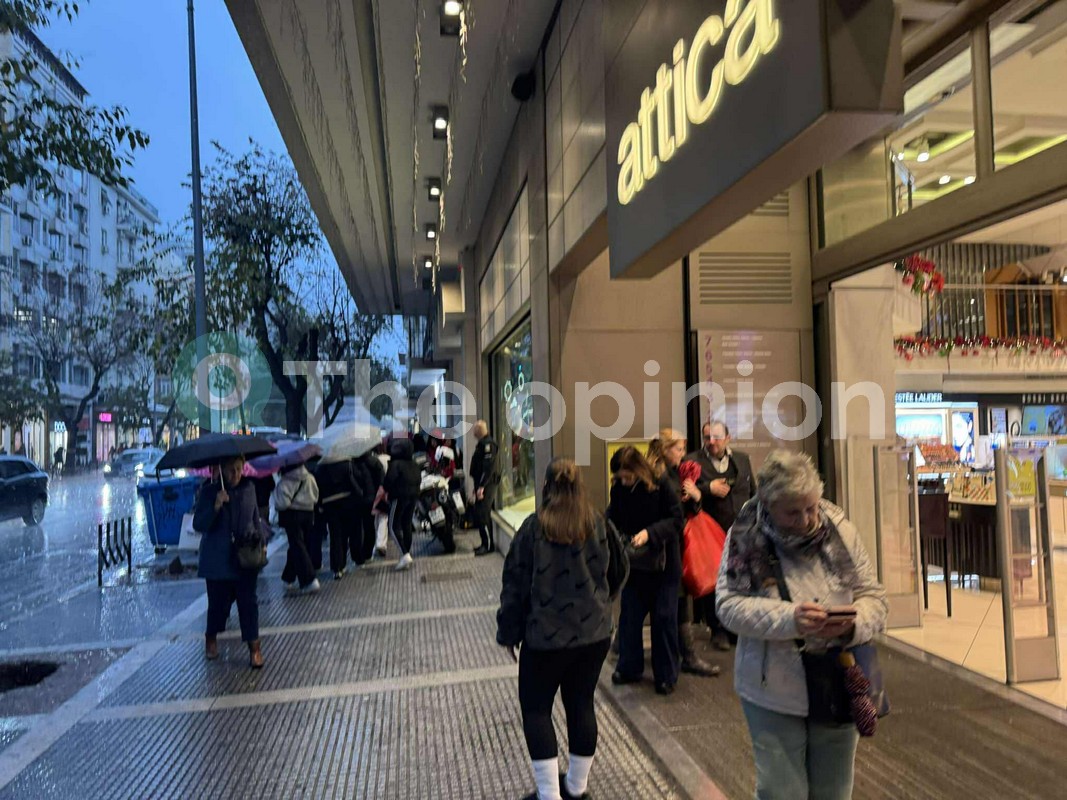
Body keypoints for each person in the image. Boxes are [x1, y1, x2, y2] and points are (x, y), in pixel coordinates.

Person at [717, 450, 887, 800]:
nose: (808, 519)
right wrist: (791, 619)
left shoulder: (840, 529)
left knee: (833, 791)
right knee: (781, 791)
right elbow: (728, 606)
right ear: (768, 504)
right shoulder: (745, 536)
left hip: (838, 678)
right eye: (793, 512)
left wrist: (851, 625)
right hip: (771, 686)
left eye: (811, 507)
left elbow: (874, 598)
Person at [498, 459, 623, 800]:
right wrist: (599, 604)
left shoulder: (533, 528)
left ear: (546, 487)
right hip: (593, 636)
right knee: (581, 704)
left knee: (537, 709)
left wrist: (509, 633)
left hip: (545, 640)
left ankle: (550, 794)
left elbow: (514, 585)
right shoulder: (598, 522)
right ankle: (576, 789)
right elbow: (619, 569)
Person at [607, 446, 683, 695]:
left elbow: (676, 520)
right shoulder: (619, 489)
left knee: (663, 618)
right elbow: (612, 517)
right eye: (620, 478)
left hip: (663, 564)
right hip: (636, 564)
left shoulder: (661, 484)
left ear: (638, 470)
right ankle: (629, 668)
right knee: (630, 617)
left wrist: (650, 533)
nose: (624, 481)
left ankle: (666, 675)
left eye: (627, 476)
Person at [646, 430, 720, 679]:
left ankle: (684, 655)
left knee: (675, 602)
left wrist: (695, 496)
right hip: (663, 549)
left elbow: (687, 509)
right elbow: (672, 513)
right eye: (678, 449)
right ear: (665, 449)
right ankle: (684, 657)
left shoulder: (676, 474)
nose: (682, 454)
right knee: (664, 603)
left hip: (671, 547)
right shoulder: (658, 476)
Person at [686, 420, 756, 651]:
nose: (712, 442)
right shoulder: (692, 462)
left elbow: (752, 492)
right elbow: (683, 493)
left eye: (716, 437)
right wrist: (708, 489)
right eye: (707, 437)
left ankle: (736, 628)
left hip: (741, 531)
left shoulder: (742, 460)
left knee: (740, 580)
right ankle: (717, 630)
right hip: (709, 532)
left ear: (728, 438)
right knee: (714, 581)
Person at [193, 456, 265, 669]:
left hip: (245, 557)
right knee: (218, 606)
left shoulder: (249, 488)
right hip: (218, 560)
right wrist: (216, 505)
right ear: (222, 470)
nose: (236, 474)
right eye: (231, 470)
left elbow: (255, 518)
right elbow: (199, 524)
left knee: (248, 604)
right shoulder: (209, 492)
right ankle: (211, 637)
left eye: (239, 469)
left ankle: (254, 648)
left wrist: (261, 542)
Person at [274, 463, 321, 595]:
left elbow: (281, 504)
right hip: (308, 513)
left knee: (297, 545)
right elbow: (316, 495)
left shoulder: (285, 481)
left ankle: (309, 580)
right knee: (300, 545)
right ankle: (288, 576)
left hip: (292, 516)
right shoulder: (309, 477)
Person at [316, 457, 362, 580]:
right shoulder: (347, 464)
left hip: (329, 505)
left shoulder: (320, 468)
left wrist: (320, 505)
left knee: (335, 536)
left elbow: (317, 489)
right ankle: (351, 559)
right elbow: (357, 478)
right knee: (349, 532)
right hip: (347, 501)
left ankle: (337, 568)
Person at [384, 437, 421, 571]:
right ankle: (406, 553)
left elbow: (388, 481)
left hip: (398, 498)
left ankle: (404, 554)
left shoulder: (396, 464)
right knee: (407, 525)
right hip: (413, 497)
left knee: (393, 526)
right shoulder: (414, 463)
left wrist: (388, 491)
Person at [470, 420, 501, 556]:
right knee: (480, 513)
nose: (473, 432)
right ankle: (485, 543)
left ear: (479, 431)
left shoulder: (488, 445)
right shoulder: (483, 444)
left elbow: (488, 468)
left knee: (483, 513)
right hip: (482, 484)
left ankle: (488, 545)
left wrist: (481, 486)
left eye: (475, 430)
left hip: (487, 484)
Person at [351, 451, 385, 565]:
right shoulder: (374, 461)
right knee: (369, 526)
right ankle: (368, 553)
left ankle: (358, 555)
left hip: (356, 499)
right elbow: (381, 479)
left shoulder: (352, 463)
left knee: (356, 528)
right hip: (371, 499)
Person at [372, 443, 391, 558]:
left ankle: (378, 542)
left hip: (375, 491)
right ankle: (381, 543)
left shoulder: (374, 460)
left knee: (377, 516)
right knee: (384, 516)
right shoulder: (389, 458)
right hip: (386, 490)